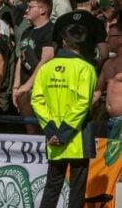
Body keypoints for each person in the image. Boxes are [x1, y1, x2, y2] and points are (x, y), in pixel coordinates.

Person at [31, 25, 97, 208]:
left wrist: (52, 130)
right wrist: (64, 133)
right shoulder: (86, 68)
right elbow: (83, 103)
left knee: (52, 186)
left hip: (53, 137)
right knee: (77, 189)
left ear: (63, 42)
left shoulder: (46, 68)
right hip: (77, 137)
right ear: (83, 44)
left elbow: (36, 100)